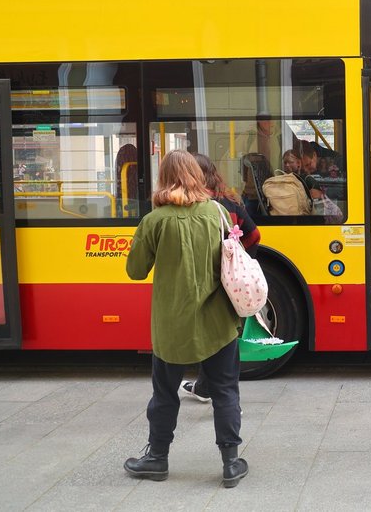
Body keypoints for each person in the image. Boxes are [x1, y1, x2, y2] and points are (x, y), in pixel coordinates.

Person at [124, 150, 248, 488]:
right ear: (196, 175)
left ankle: (157, 458)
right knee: (225, 390)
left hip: (172, 325)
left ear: (163, 178)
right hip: (218, 322)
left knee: (165, 393)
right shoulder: (217, 213)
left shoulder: (154, 221)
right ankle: (231, 463)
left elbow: (135, 270)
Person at [179, 153, 262, 404]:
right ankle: (211, 389)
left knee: (207, 335)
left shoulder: (193, 207)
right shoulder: (230, 202)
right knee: (227, 336)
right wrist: (239, 262)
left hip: (205, 281)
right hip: (230, 282)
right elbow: (254, 235)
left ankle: (218, 393)